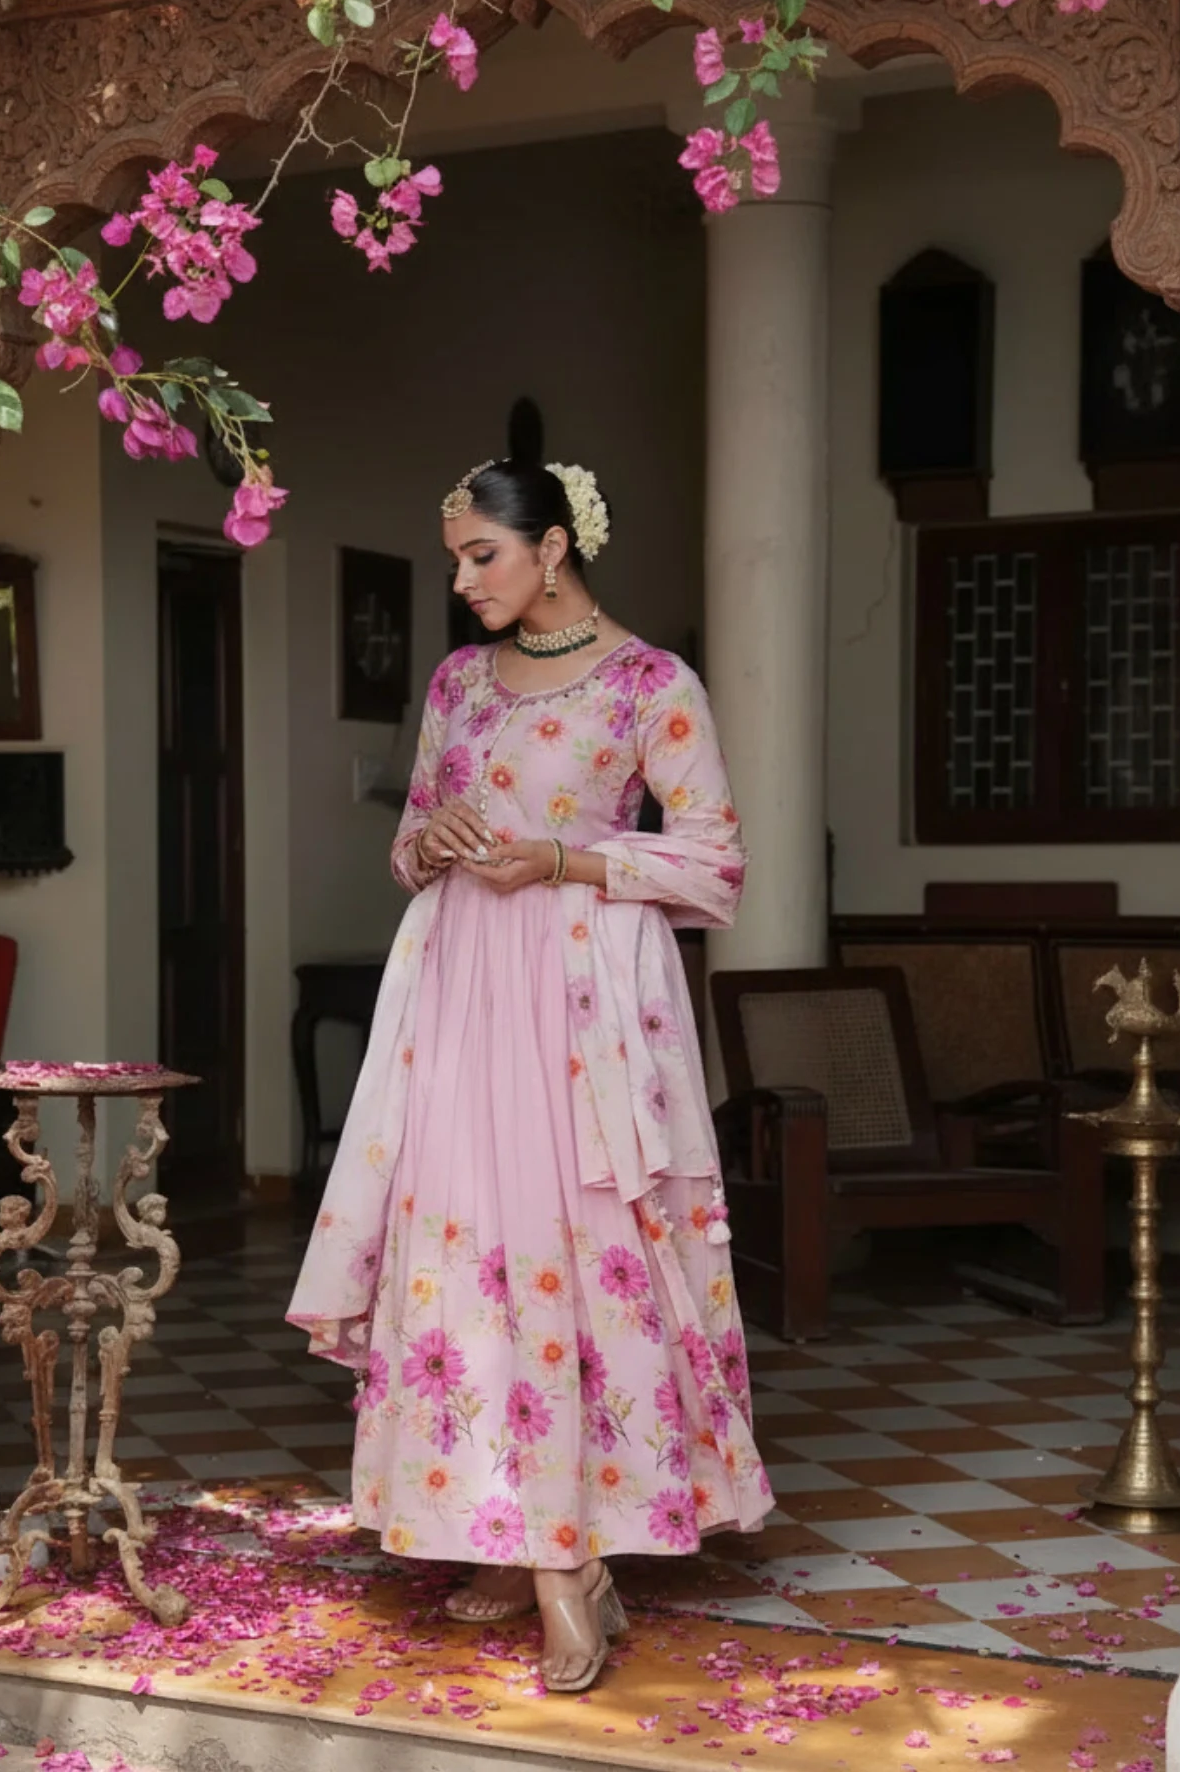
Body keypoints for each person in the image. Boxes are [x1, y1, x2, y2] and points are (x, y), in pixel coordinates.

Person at [288, 459, 772, 1692]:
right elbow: (413, 844)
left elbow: (714, 866)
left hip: (582, 1007)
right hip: (458, 990)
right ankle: (501, 1523)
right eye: (453, 556)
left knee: (568, 1251)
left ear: (551, 546)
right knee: (469, 1259)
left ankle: (571, 1562)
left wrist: (563, 854)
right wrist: (431, 838)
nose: (460, 579)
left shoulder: (653, 683)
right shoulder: (456, 681)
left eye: (479, 557)